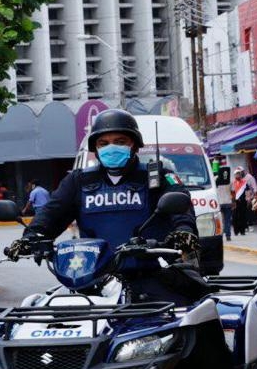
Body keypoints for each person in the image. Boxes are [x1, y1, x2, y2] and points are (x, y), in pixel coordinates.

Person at [13, 109, 197, 282]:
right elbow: (51, 214)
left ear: (135, 145)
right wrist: (29, 239)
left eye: (120, 141)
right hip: (91, 277)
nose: (112, 147)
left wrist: (184, 231)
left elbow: (180, 203)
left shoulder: (157, 177)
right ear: (96, 148)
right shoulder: (78, 181)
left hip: (151, 274)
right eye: (104, 143)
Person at [232, 167, 255, 236]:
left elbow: (247, 191)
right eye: (236, 174)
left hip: (243, 202)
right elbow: (231, 192)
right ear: (234, 175)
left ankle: (242, 230)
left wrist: (248, 199)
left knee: (243, 216)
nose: (238, 175)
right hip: (235, 202)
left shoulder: (244, 183)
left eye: (239, 174)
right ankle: (236, 231)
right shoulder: (233, 183)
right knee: (235, 216)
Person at [216, 165, 233, 241]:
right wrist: (234, 202)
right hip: (228, 202)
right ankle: (228, 236)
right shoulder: (230, 180)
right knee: (227, 220)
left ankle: (220, 235)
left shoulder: (215, 179)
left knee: (220, 220)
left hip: (219, 203)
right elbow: (233, 192)